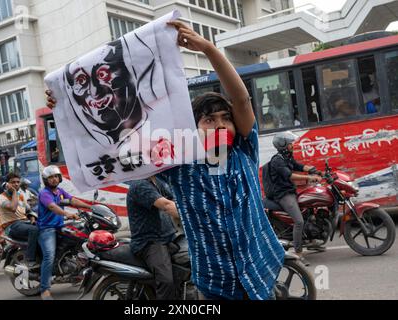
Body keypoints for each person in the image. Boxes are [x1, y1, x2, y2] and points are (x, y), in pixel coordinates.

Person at [45, 20, 285, 300]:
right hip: (217, 283)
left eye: (225, 119)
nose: (219, 125)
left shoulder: (245, 150)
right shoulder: (179, 165)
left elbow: (241, 101)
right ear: (191, 129)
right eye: (209, 120)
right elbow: (114, 143)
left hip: (259, 271)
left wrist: (208, 49)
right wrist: (65, 106)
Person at [37, 165, 91, 300]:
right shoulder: (44, 193)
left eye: (56, 176)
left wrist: (91, 207)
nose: (54, 179)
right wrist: (67, 213)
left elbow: (72, 200)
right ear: (46, 180)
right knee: (49, 255)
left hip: (60, 226)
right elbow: (52, 206)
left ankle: (76, 273)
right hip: (47, 229)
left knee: (81, 239)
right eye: (50, 177)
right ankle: (45, 289)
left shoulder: (60, 191)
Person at [268, 131, 322, 265]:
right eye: (290, 143)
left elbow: (298, 165)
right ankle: (298, 253)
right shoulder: (277, 160)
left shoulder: (287, 157)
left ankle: (312, 239)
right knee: (299, 221)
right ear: (283, 145)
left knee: (310, 209)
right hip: (283, 194)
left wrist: (312, 169)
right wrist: (309, 177)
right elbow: (290, 175)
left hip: (291, 190)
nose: (293, 145)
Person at [126, 176, 180, 300]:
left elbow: (172, 198)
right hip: (150, 241)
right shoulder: (140, 185)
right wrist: (193, 216)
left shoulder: (156, 182)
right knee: (166, 281)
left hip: (166, 238)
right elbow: (166, 205)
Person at [0, 172, 39, 268]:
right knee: (34, 230)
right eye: (13, 182)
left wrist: (32, 218)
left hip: (24, 223)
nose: (16, 184)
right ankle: (30, 260)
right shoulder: (0, 198)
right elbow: (13, 207)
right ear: (7, 184)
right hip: (12, 226)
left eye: (18, 182)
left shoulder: (21, 196)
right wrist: (14, 192)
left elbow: (28, 210)